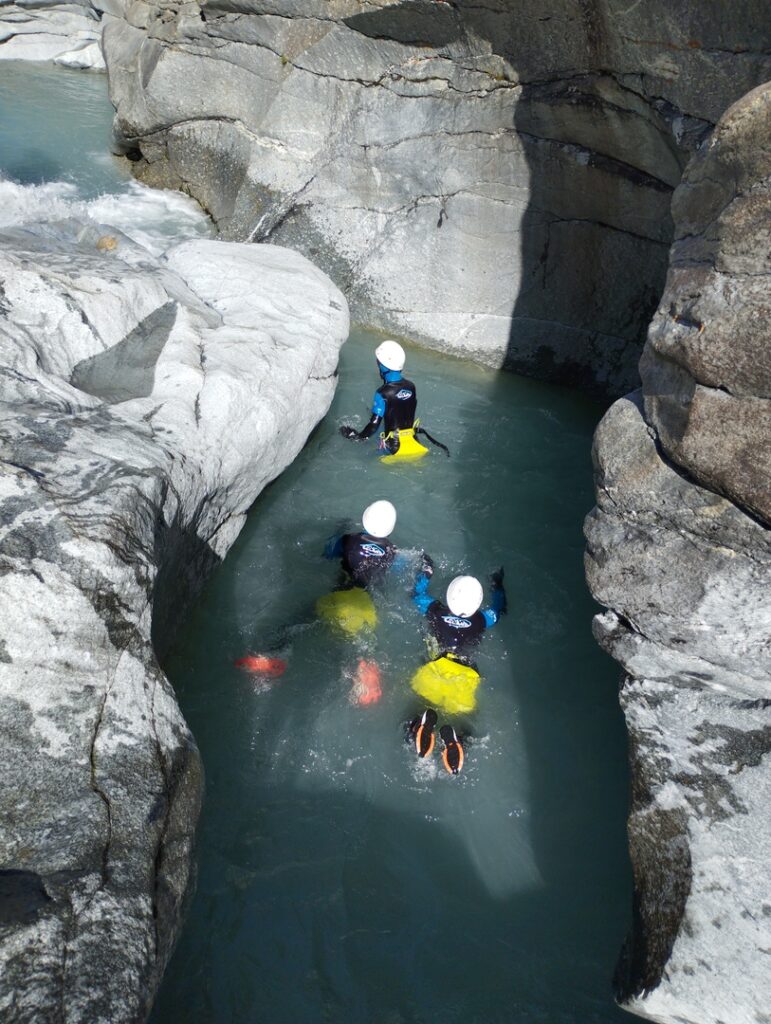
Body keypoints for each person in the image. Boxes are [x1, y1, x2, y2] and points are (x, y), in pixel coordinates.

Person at [408, 557, 506, 774]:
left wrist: (426, 571)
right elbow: (499, 610)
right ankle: (458, 739)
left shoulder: (435, 610)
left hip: (436, 667)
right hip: (466, 675)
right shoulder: (482, 619)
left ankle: (420, 725)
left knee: (416, 707)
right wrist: (497, 585)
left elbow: (417, 595)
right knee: (467, 721)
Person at [339, 340, 429, 461]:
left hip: (393, 449)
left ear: (383, 366)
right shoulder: (411, 387)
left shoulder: (382, 393)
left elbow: (373, 426)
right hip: (414, 444)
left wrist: (356, 437)